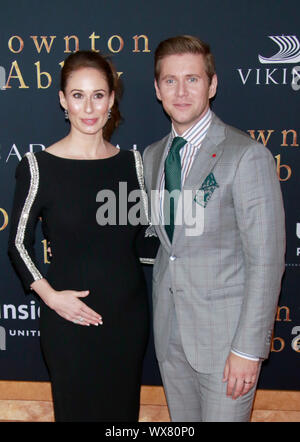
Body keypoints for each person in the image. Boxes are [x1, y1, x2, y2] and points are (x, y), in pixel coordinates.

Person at [8, 50, 157, 422]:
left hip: (128, 319)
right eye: (78, 95)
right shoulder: (40, 167)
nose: (88, 107)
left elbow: (142, 240)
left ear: (111, 99)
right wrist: (52, 299)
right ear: (63, 100)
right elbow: (18, 243)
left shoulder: (133, 164)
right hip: (68, 321)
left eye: (98, 95)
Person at [143, 35, 286, 422]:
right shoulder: (153, 156)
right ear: (158, 90)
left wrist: (248, 349)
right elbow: (170, 248)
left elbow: (267, 261)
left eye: (193, 79)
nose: (182, 91)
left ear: (213, 84)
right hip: (171, 341)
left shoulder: (246, 155)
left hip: (227, 348)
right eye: (170, 81)